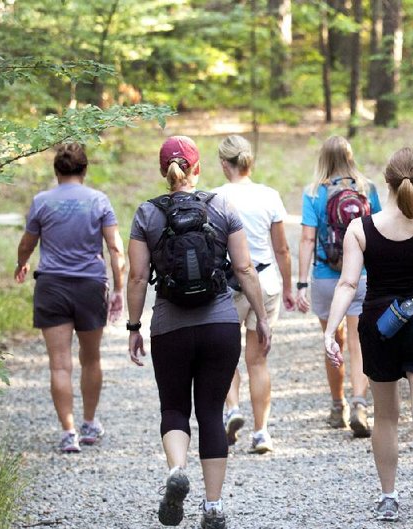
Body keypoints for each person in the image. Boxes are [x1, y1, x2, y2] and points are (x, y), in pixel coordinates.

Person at [126, 136, 271, 529]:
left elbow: (138, 277)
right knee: (210, 412)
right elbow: (244, 270)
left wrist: (134, 326)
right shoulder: (221, 205)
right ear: (197, 169)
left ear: (163, 171)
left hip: (170, 326)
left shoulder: (146, 214)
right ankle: (213, 507)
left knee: (174, 408)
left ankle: (176, 470)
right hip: (220, 324)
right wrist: (261, 318)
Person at [323, 147, 413, 528]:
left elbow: (348, 283)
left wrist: (331, 331)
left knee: (385, 417)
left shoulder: (360, 228)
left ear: (387, 182)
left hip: (380, 325)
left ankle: (388, 498)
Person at [14, 143, 125, 454]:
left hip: (52, 287)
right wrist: (118, 289)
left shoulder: (42, 202)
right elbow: (116, 249)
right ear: (84, 170)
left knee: (59, 365)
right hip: (90, 286)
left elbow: (27, 244)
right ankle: (89, 424)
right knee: (91, 358)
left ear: (56, 170)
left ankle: (68, 432)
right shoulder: (99, 201)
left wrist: (22, 263)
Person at [212, 134, 295, 454]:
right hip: (265, 283)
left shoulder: (215, 198)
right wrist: (288, 287)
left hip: (229, 286)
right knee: (258, 361)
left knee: (225, 357)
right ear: (249, 162)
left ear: (223, 164)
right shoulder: (270, 196)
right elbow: (282, 249)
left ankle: (232, 409)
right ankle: (261, 433)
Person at [297, 135, 381, 438]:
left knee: (333, 340)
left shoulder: (313, 192)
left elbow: (307, 238)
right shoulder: (367, 188)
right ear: (350, 156)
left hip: (326, 276)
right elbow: (379, 230)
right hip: (362, 276)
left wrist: (301, 283)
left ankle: (338, 406)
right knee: (360, 342)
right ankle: (360, 403)